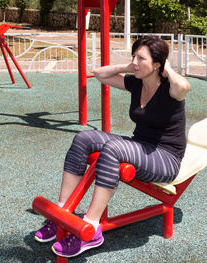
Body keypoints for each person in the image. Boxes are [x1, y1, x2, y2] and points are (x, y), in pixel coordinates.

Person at [34, 36, 190, 257]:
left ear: (157, 65)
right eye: (133, 56)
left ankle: (91, 226)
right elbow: (100, 74)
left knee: (114, 148)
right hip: (140, 147)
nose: (135, 62)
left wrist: (167, 68)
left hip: (165, 157)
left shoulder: (170, 90)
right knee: (84, 138)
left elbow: (184, 85)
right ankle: (62, 212)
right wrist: (130, 66)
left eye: (141, 58)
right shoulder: (136, 82)